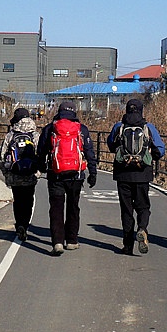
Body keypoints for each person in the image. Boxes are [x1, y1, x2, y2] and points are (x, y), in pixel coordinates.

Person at [37, 100, 97, 256]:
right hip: (76, 175)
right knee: (73, 207)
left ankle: (57, 242)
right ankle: (71, 240)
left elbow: (41, 151)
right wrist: (93, 173)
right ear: (74, 112)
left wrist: (42, 167)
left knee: (56, 208)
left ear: (59, 111)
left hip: (55, 174)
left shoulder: (50, 128)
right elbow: (89, 152)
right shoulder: (81, 129)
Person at [106, 98, 165, 255]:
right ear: (141, 110)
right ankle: (142, 228)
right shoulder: (148, 128)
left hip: (122, 174)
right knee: (143, 206)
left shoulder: (119, 127)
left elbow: (111, 145)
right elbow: (160, 150)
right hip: (143, 174)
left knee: (126, 210)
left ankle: (127, 246)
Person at [0, 108, 40, 242]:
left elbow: (1, 157)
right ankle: (25, 225)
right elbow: (42, 156)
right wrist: (38, 172)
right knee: (28, 201)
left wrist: (7, 174)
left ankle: (19, 224)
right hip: (30, 175)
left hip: (15, 175)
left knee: (18, 200)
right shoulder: (35, 135)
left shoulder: (10, 135)